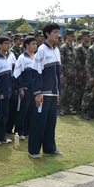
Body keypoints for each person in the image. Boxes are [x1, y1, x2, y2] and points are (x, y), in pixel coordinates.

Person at [28, 23, 63, 157]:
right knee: (39, 122)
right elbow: (36, 73)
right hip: (43, 93)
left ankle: (49, 148)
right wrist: (37, 93)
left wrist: (58, 90)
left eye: (58, 32)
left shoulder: (56, 50)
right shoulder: (41, 50)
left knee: (51, 122)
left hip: (53, 93)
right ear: (47, 34)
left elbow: (57, 73)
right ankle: (33, 150)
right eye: (54, 32)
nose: (57, 34)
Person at [12, 36, 37, 140]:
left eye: (36, 44)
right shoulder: (22, 58)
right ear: (27, 45)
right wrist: (20, 88)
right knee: (22, 111)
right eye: (33, 44)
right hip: (25, 89)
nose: (35, 46)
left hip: (34, 90)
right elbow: (17, 74)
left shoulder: (36, 57)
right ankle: (19, 131)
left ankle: (28, 130)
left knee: (32, 111)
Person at [59, 29, 76, 115]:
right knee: (62, 91)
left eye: (73, 36)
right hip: (65, 73)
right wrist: (61, 73)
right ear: (67, 36)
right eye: (71, 35)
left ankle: (66, 108)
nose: (73, 37)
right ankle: (57, 107)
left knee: (70, 92)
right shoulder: (63, 47)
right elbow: (61, 61)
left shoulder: (72, 48)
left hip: (71, 73)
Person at [73, 30, 90, 113]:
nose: (89, 37)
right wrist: (80, 71)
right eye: (87, 36)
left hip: (86, 72)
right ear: (83, 37)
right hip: (80, 72)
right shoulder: (79, 48)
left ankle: (80, 106)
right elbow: (77, 61)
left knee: (84, 89)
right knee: (78, 90)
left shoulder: (88, 47)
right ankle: (75, 107)